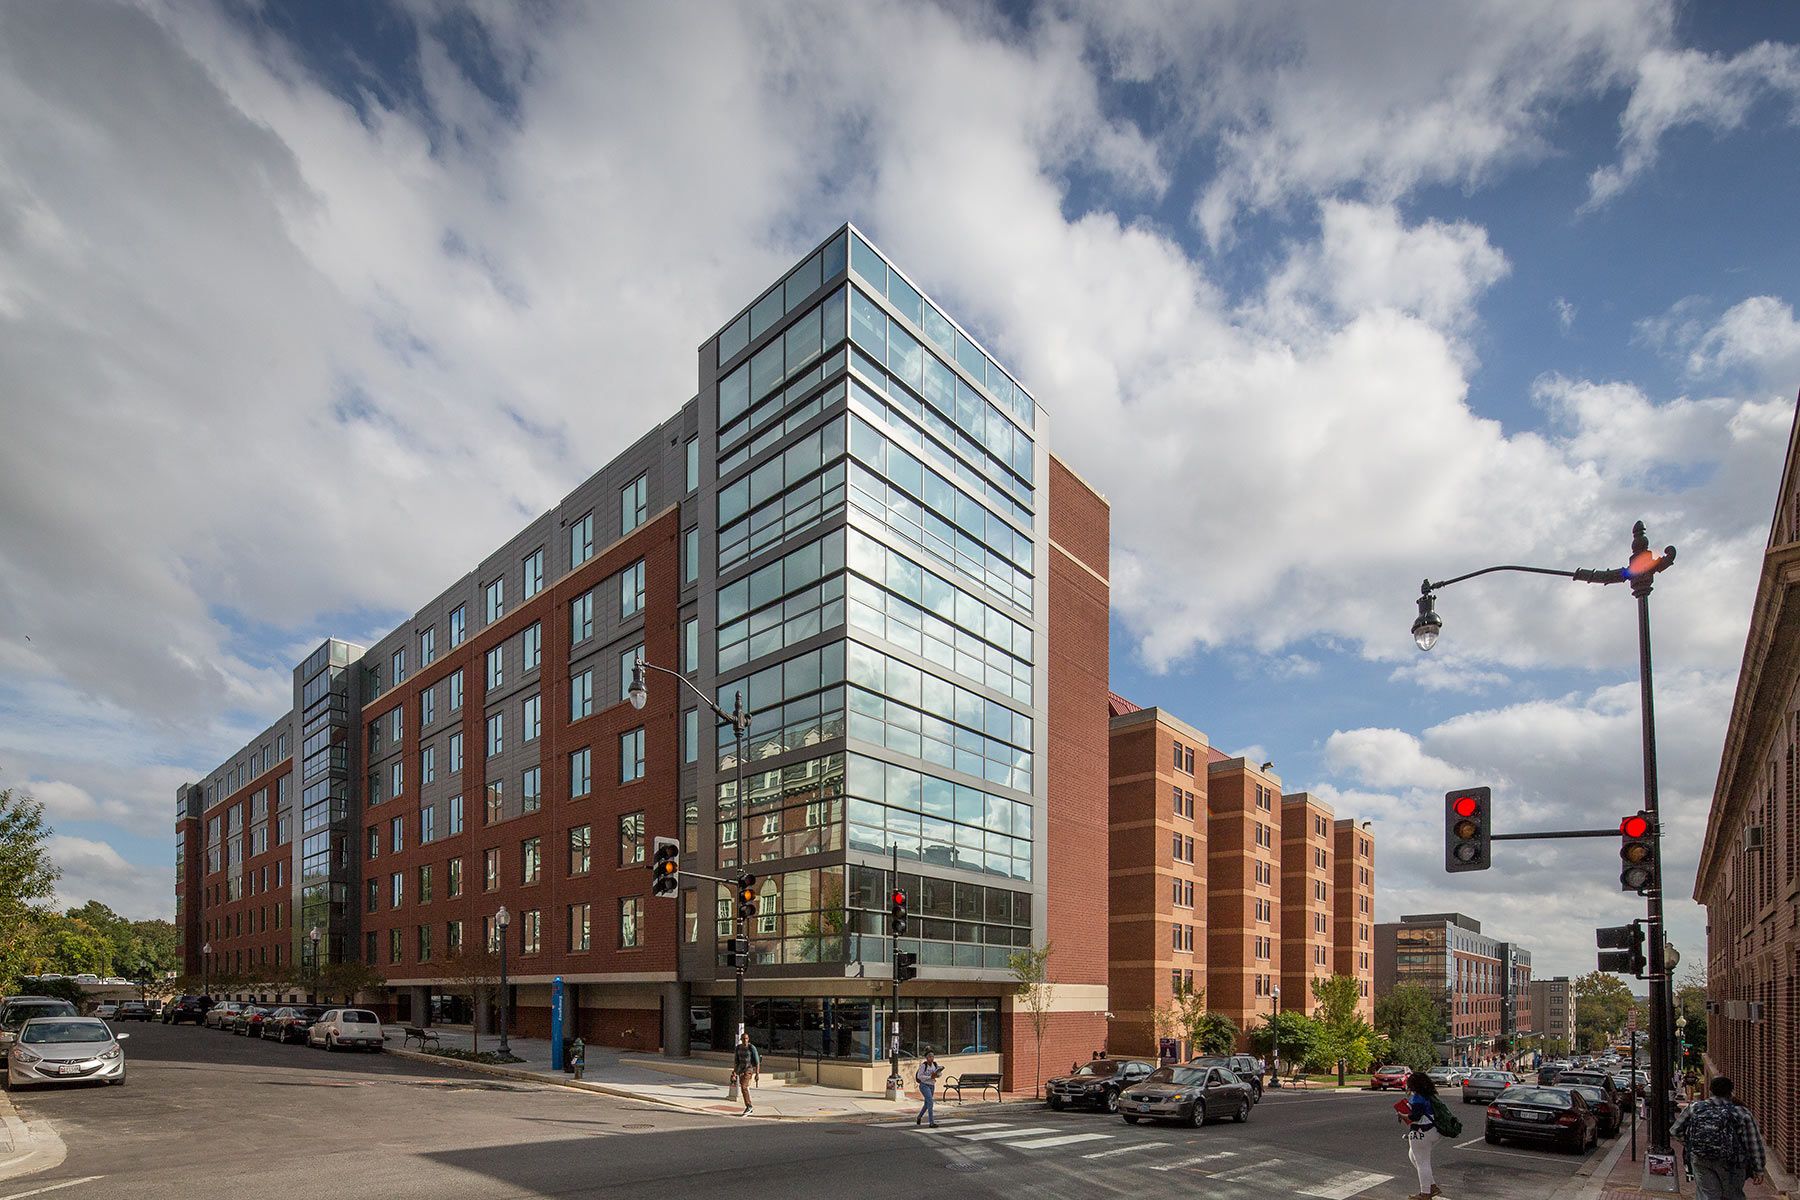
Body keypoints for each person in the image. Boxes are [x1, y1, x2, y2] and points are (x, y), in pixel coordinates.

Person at [1672, 1076, 1766, 1200]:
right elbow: (1754, 1144)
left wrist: (1691, 1143)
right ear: (1731, 1092)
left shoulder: (1695, 1107)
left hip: (1700, 1158)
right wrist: (1758, 1169)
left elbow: (1675, 1130)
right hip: (1732, 1162)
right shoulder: (1741, 1113)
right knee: (1733, 1196)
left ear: (1710, 1091)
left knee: (1707, 1196)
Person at [1398, 1071, 1441, 1200]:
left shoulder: (1417, 1098)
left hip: (1421, 1132)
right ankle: (1431, 1186)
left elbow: (1415, 1117)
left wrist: (1402, 1114)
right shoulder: (1429, 1095)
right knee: (1413, 1156)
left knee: (1423, 1163)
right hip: (1432, 1131)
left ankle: (1425, 1194)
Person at [733, 1031, 761, 1116]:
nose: (745, 1040)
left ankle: (749, 1106)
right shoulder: (738, 1048)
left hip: (749, 1069)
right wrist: (734, 1072)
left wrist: (757, 1073)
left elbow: (757, 1062)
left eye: (746, 1039)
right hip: (741, 1070)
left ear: (748, 1039)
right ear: (741, 1039)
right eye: (743, 1039)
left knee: (744, 1087)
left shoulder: (751, 1047)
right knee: (743, 1087)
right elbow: (736, 1061)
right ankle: (749, 1106)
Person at [914, 1050, 943, 1128]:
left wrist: (937, 1074)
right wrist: (930, 1077)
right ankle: (931, 1122)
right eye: (930, 1056)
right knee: (930, 1102)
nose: (931, 1058)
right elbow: (920, 1076)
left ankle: (919, 1117)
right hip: (924, 1085)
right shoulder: (924, 1066)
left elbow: (939, 1074)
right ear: (926, 1058)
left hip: (932, 1085)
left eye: (932, 1056)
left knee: (927, 1104)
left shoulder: (935, 1064)